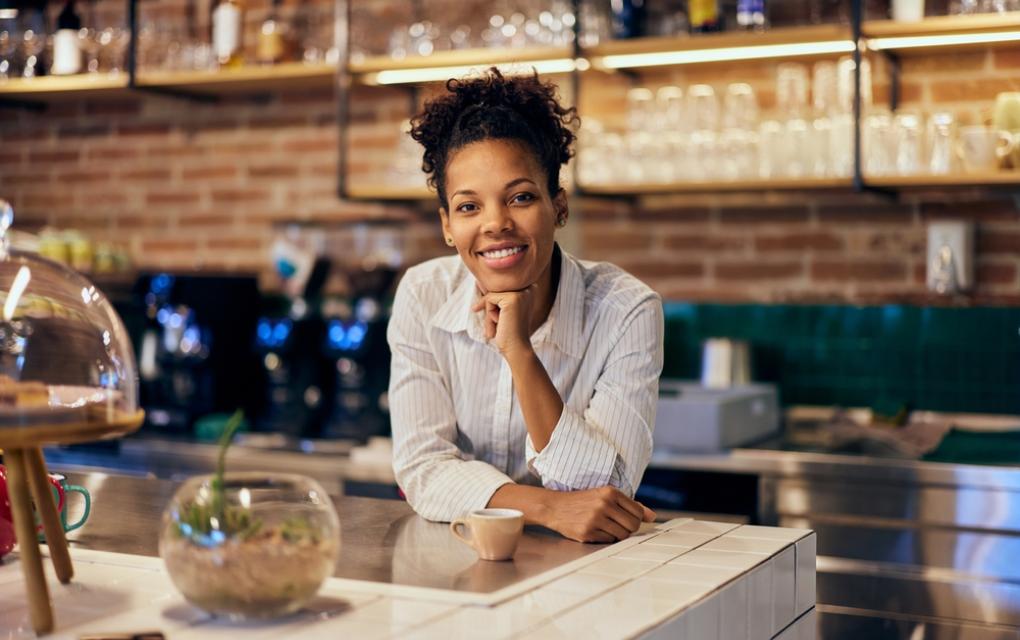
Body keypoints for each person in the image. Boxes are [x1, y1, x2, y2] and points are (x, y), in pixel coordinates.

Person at [387, 68, 664, 543]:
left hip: (586, 572)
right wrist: (548, 507)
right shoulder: (422, 294)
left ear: (558, 206)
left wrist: (519, 351)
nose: (496, 223)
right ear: (448, 225)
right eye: (469, 207)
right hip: (459, 562)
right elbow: (422, 469)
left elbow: (608, 492)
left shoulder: (627, 310)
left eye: (520, 197)